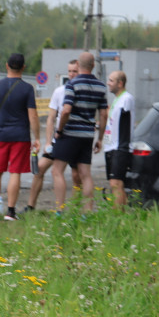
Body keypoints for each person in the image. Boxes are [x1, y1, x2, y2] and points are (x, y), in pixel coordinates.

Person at [0, 53, 38, 220]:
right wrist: (36, 138)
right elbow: (33, 116)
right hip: (21, 136)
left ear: (7, 66)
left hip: (1, 135)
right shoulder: (27, 88)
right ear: (23, 68)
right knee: (15, 173)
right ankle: (11, 212)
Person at [50, 52, 108, 213]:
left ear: (78, 65)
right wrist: (100, 138)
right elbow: (103, 114)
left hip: (69, 133)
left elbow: (66, 110)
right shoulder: (101, 86)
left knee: (57, 171)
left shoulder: (72, 84)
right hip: (87, 135)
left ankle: (59, 210)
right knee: (85, 174)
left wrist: (59, 130)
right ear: (93, 66)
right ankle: (87, 212)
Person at [25, 60, 82, 214]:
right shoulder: (59, 91)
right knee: (40, 168)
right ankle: (31, 206)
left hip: (76, 139)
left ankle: (73, 210)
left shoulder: (82, 91)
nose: (71, 74)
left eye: (75, 71)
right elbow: (51, 118)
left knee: (77, 175)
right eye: (69, 71)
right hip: (59, 139)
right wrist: (48, 141)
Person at [103, 70, 135, 208]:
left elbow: (126, 122)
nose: (108, 83)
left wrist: (123, 146)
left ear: (120, 83)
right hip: (110, 146)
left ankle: (119, 217)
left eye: (111, 80)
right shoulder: (117, 99)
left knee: (116, 182)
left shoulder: (126, 98)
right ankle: (118, 214)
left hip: (120, 146)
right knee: (113, 182)